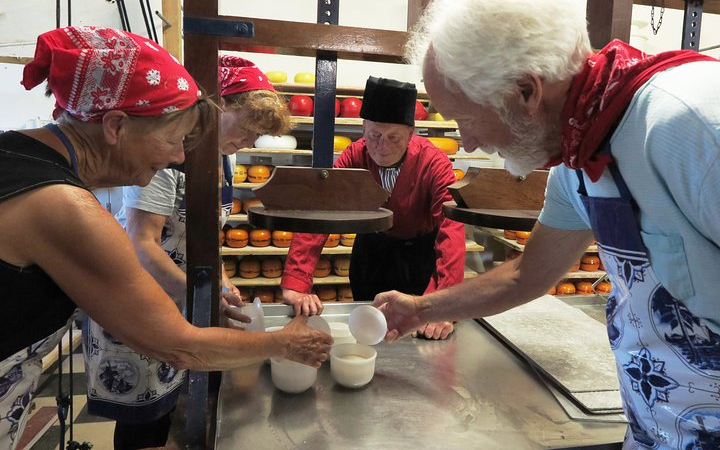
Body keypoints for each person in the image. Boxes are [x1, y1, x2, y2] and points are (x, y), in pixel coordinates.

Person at [372, 0, 720, 448]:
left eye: (466, 119)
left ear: (527, 91)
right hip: (658, 431)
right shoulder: (578, 159)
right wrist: (420, 309)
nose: (467, 140)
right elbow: (527, 275)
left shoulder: (691, 125)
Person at [0, 26, 331, 450]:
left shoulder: (17, 155)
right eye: (175, 139)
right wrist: (281, 345)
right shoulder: (59, 204)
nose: (179, 155)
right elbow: (179, 346)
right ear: (116, 126)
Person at [81, 55, 291, 449]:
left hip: (185, 301)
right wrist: (200, 297)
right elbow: (142, 243)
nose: (248, 142)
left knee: (175, 410)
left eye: (255, 136)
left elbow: (207, 235)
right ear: (218, 106)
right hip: (141, 304)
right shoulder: (166, 159)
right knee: (146, 419)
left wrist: (223, 282)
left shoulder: (223, 159)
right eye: (246, 129)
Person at [282, 76, 466, 340]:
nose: (382, 147)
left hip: (418, 258)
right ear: (363, 128)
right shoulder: (354, 156)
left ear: (411, 133)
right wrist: (297, 281)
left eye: (394, 137)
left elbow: (451, 227)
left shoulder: (433, 162)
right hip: (371, 254)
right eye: (375, 136)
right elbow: (322, 209)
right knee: (367, 329)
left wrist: (445, 305)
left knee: (418, 335)